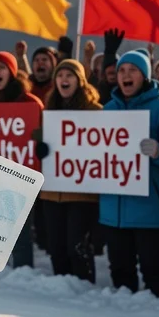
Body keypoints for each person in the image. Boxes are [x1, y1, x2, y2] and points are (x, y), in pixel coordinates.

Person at [99, 50, 159, 298]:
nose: (125, 75)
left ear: (144, 76)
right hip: (113, 208)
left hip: (150, 208)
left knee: (153, 267)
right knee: (120, 268)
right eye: (122, 71)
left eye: (132, 71)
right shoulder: (108, 110)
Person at [32, 59, 101, 282]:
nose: (64, 80)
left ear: (80, 81)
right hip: (52, 191)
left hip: (82, 191)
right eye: (60, 76)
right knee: (57, 246)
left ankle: (84, 287)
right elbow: (32, 145)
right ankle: (62, 290)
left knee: (77, 246)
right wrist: (39, 148)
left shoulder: (96, 111)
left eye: (69, 75)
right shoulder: (47, 111)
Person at [0, 51, 44, 267]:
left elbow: (43, 130)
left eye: (2, 68)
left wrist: (39, 140)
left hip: (21, 176)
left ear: (12, 73)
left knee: (20, 230)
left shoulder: (29, 101)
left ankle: (22, 271)